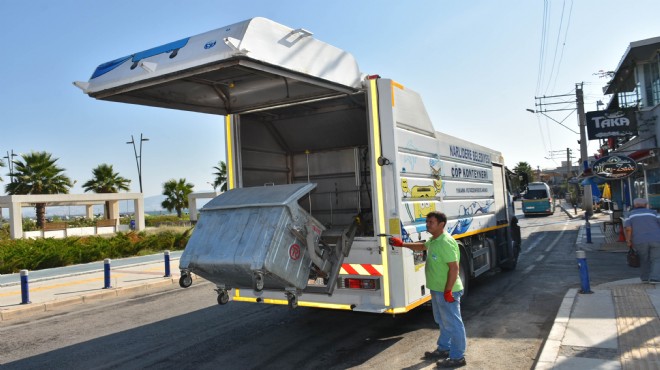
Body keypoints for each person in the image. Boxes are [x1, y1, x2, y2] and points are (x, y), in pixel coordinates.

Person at [389, 211, 467, 368]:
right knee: (442, 321)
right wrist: (402, 244)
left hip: (447, 290)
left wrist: (448, 290)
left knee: (453, 323)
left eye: (431, 222)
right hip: (437, 289)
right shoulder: (434, 240)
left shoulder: (445, 242)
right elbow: (422, 246)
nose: (427, 224)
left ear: (441, 224)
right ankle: (444, 348)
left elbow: (454, 268)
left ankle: (458, 357)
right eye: (427, 222)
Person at [623, 198, 660, 283]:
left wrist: (628, 240)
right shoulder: (654, 213)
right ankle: (655, 278)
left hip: (639, 240)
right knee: (657, 259)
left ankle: (645, 278)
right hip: (656, 239)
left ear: (635, 205)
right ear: (646, 205)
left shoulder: (630, 215)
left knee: (643, 259)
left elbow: (628, 228)